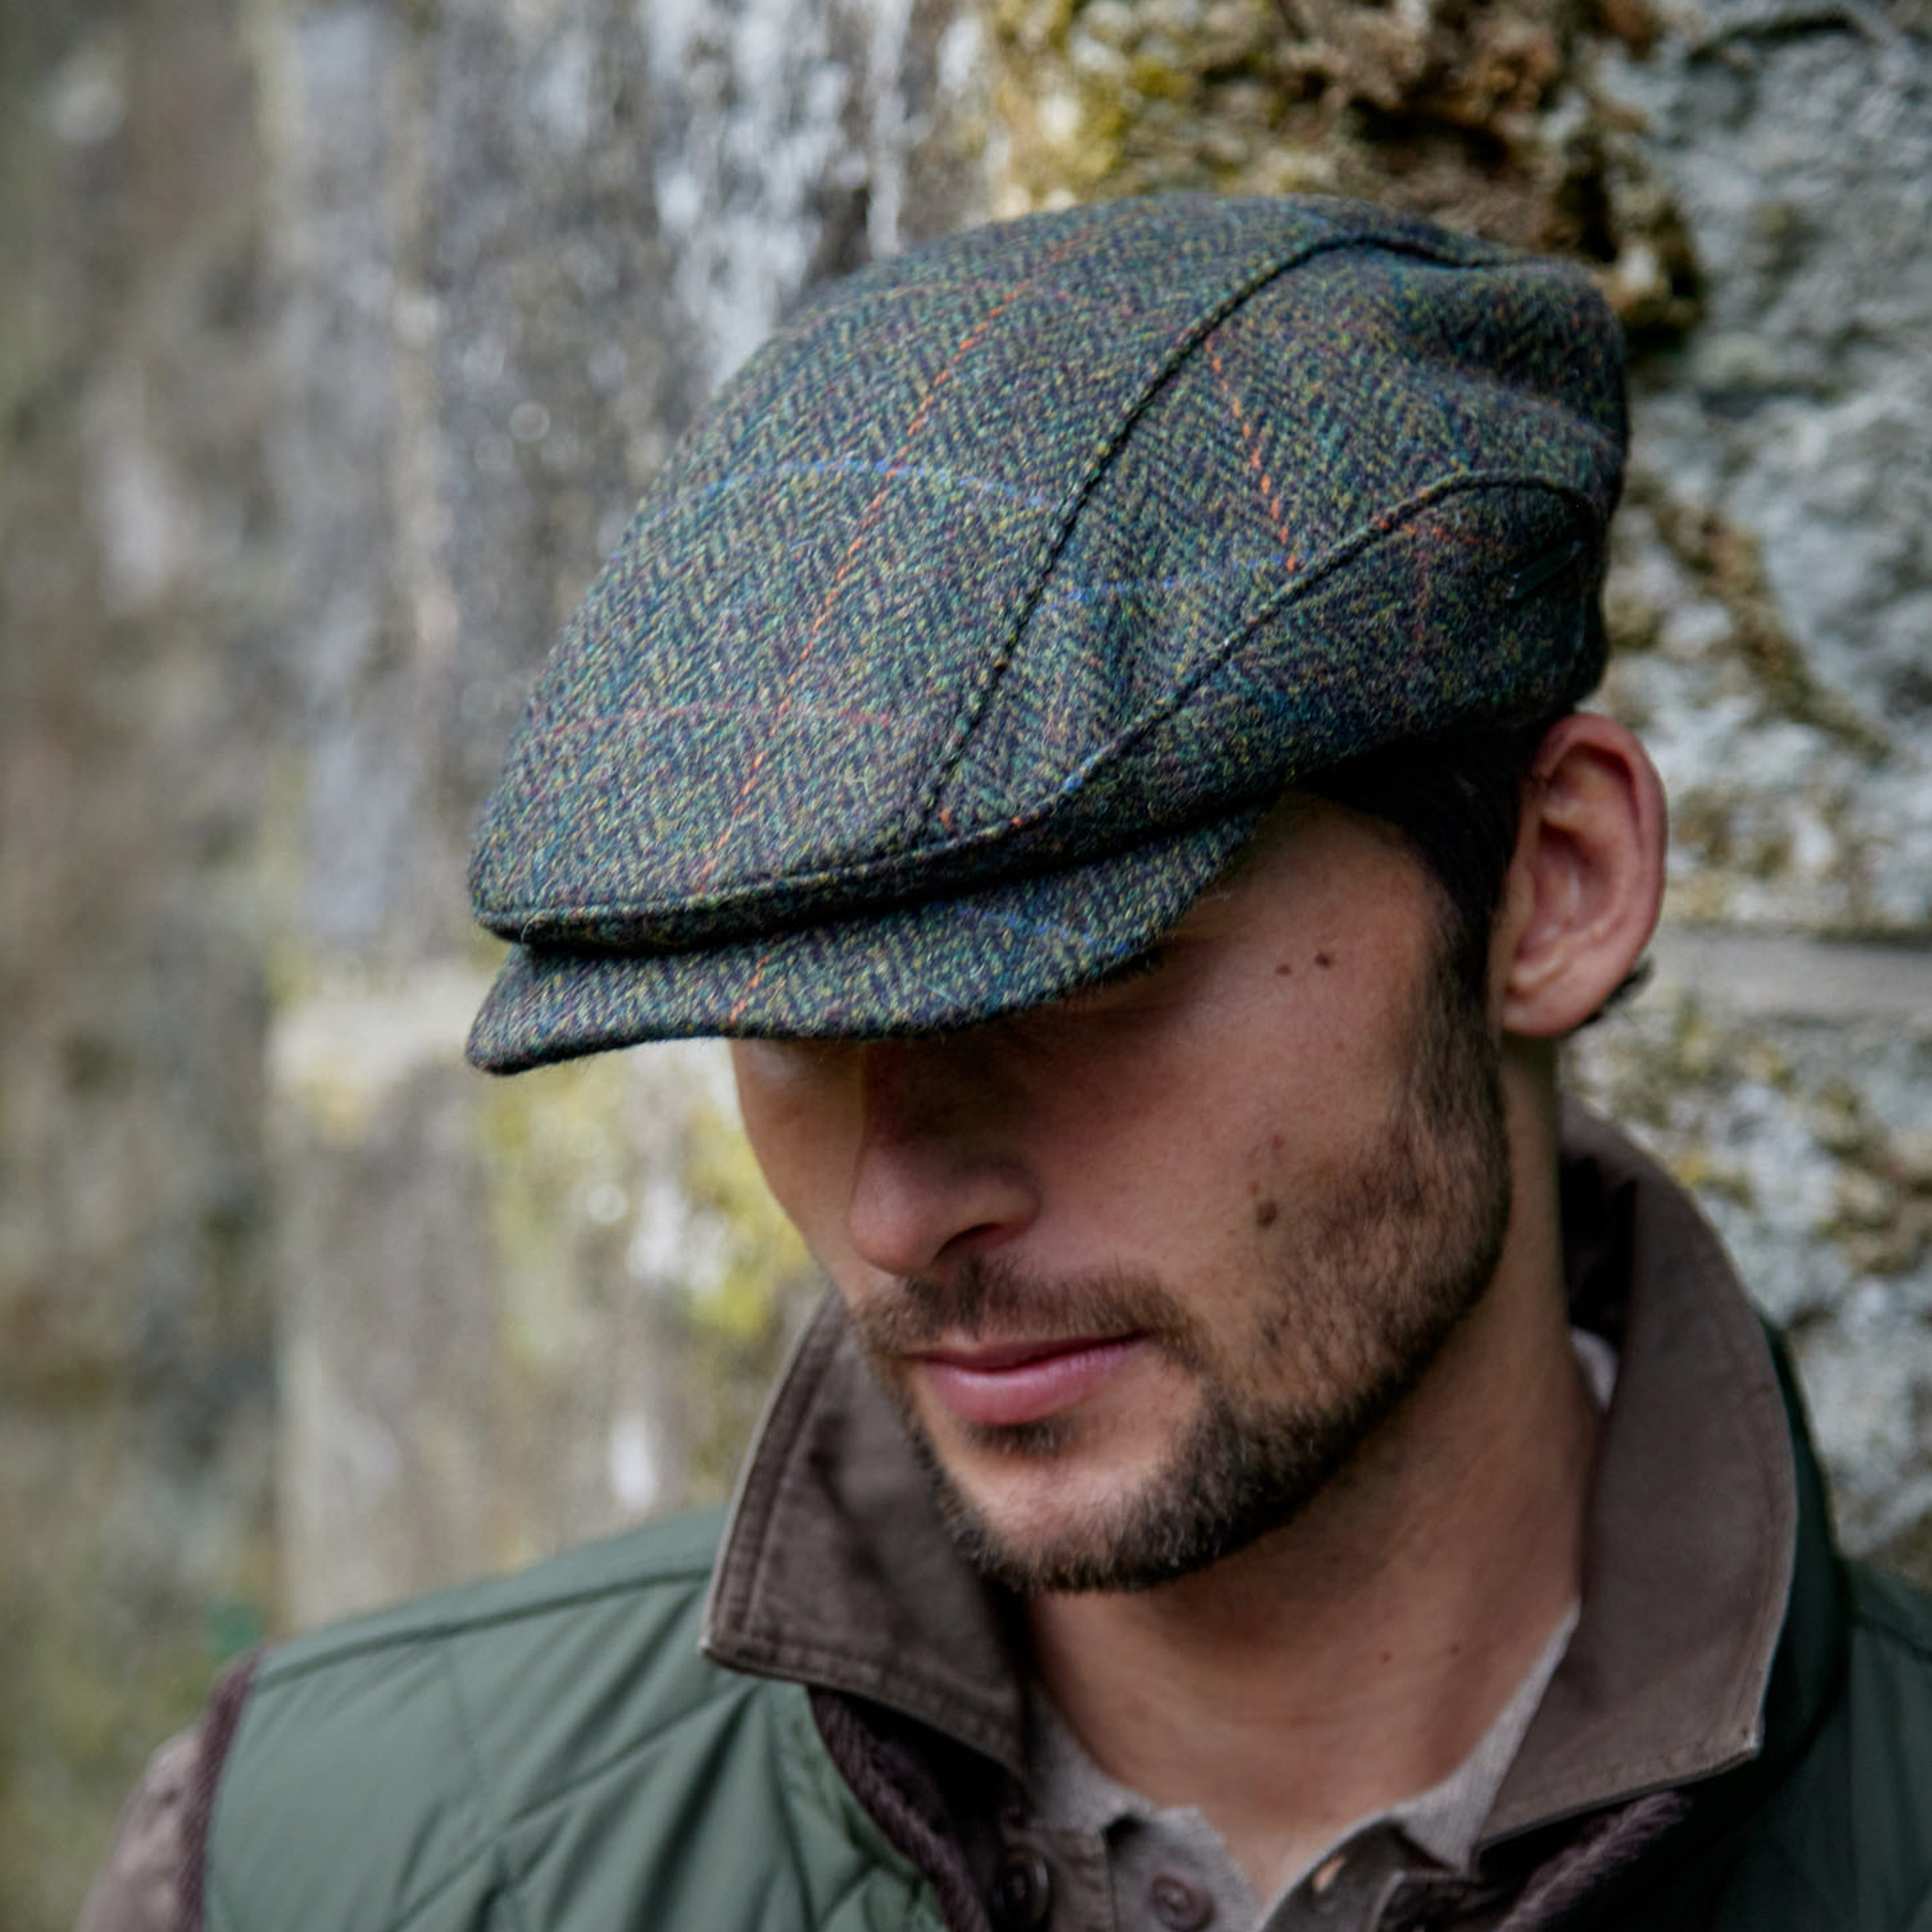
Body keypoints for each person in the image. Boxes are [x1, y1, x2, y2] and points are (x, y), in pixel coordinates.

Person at [80, 193, 1932, 1932]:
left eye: (1089, 980)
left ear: (1556, 885)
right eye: (790, 1020)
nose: (902, 1210)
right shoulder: (331, 1861)